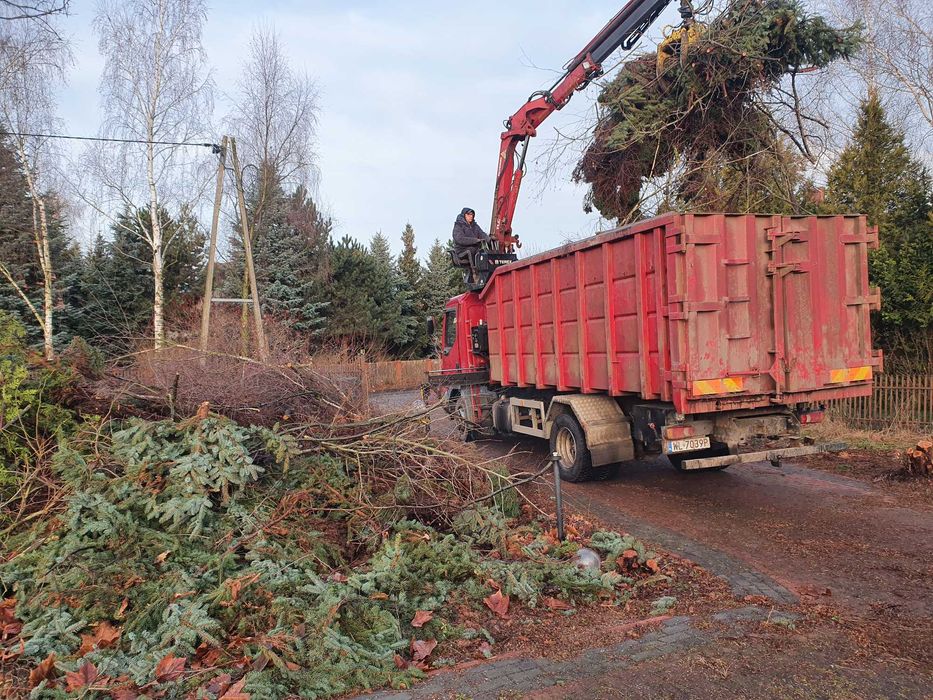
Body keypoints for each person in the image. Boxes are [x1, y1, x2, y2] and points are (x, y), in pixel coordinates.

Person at [451, 207, 490, 278]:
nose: (471, 216)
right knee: (472, 250)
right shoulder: (458, 226)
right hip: (462, 250)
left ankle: (486, 273)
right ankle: (475, 273)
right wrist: (475, 240)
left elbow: (482, 234)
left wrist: (489, 239)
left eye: (472, 215)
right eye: (468, 214)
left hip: (474, 248)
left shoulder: (475, 226)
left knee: (483, 252)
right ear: (464, 215)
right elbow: (460, 239)